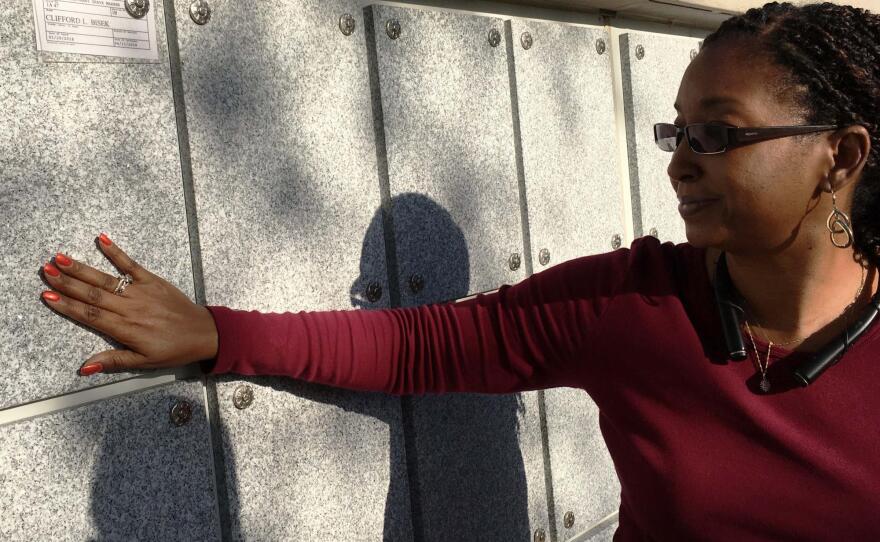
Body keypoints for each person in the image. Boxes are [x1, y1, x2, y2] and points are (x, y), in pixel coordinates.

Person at [37, 1, 879, 539]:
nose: (680, 165)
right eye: (677, 133)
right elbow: (426, 346)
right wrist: (219, 333)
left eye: (719, 134)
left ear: (840, 156)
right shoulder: (636, 303)